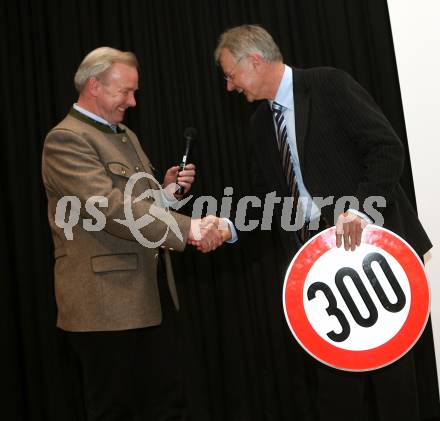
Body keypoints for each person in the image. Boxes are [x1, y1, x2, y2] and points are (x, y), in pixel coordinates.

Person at [214, 25, 433, 421]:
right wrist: (229, 228)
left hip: (373, 252)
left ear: (256, 61)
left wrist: (362, 210)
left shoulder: (328, 84)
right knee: (335, 384)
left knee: (394, 381)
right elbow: (267, 199)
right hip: (319, 267)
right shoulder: (260, 125)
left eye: (230, 75)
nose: (229, 86)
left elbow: (386, 149)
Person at [42, 46, 230, 421]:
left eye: (134, 91)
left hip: (150, 294)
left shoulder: (123, 133)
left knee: (167, 403)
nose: (132, 100)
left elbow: (135, 202)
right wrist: (189, 227)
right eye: (124, 91)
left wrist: (166, 192)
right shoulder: (66, 140)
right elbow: (108, 208)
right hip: (105, 306)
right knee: (116, 409)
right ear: (93, 85)